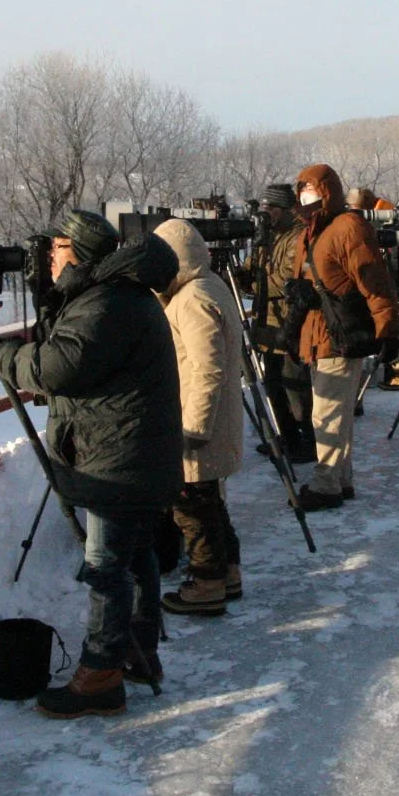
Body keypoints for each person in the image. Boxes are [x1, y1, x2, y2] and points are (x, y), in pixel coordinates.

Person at [0, 210, 181, 718]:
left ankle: (100, 674)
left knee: (106, 567)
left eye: (57, 249)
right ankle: (139, 656)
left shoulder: (107, 303)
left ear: (80, 254)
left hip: (118, 457)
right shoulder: (109, 295)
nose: (48, 257)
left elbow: (54, 367)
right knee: (134, 558)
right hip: (129, 450)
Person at [289, 163, 399, 511]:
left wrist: (388, 331)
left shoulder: (348, 227)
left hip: (339, 336)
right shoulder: (313, 230)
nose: (305, 197)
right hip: (319, 334)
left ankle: (326, 486)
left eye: (311, 190)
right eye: (302, 190)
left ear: (327, 193)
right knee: (336, 417)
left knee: (327, 417)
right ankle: (341, 479)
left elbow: (376, 283)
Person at [148, 219, 246, 617]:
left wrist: (194, 429)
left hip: (198, 420)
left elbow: (207, 368)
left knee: (192, 506)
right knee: (210, 503)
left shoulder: (192, 300)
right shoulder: (209, 285)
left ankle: (207, 583)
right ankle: (228, 573)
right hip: (210, 417)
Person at [250, 183, 316, 462]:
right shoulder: (269, 236)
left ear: (286, 209)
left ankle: (307, 441)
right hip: (267, 320)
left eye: (271, 209)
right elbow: (258, 270)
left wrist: (255, 283)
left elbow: (290, 278)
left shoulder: (298, 236)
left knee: (295, 388)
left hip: (290, 323)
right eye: (264, 209)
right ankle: (286, 436)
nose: (266, 214)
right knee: (273, 385)